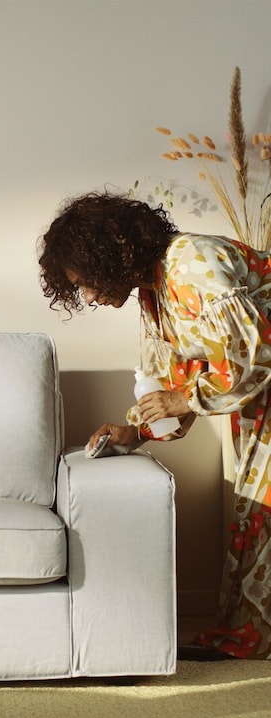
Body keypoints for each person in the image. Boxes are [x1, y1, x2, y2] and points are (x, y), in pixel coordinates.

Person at [38, 191, 271, 659]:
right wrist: (136, 432)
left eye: (85, 281)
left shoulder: (192, 262)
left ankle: (248, 641)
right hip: (258, 406)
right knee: (257, 517)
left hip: (262, 390)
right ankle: (250, 639)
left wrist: (181, 400)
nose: (86, 296)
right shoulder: (153, 296)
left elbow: (254, 357)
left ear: (109, 254)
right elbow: (173, 390)